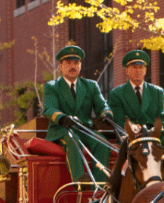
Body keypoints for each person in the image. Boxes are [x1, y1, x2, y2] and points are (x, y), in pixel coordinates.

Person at [42, 45, 113, 183]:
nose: (72, 66)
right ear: (61, 66)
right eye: (68, 63)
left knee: (102, 143)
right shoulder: (52, 86)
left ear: (80, 66)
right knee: (72, 139)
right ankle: (80, 180)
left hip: (84, 129)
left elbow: (102, 104)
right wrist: (62, 118)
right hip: (61, 130)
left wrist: (106, 114)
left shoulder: (91, 86)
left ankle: (100, 186)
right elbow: (48, 108)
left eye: (76, 63)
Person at [109, 49, 164, 176]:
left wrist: (158, 130)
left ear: (145, 70)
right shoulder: (117, 94)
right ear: (127, 71)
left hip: (152, 133)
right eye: (134, 67)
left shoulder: (157, 92)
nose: (138, 71)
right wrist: (133, 129)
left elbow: (161, 117)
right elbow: (118, 120)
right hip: (130, 135)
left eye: (141, 67)